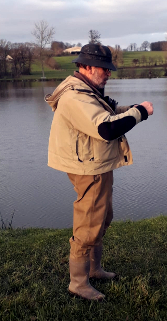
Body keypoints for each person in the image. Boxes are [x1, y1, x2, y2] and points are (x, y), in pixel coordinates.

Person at [45, 43, 154, 301]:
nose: (108, 74)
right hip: (88, 168)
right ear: (86, 67)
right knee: (89, 224)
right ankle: (78, 283)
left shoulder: (89, 90)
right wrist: (139, 113)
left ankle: (94, 269)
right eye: (104, 69)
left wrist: (130, 110)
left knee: (103, 217)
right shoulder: (75, 97)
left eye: (109, 69)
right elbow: (105, 129)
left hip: (97, 164)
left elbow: (107, 114)